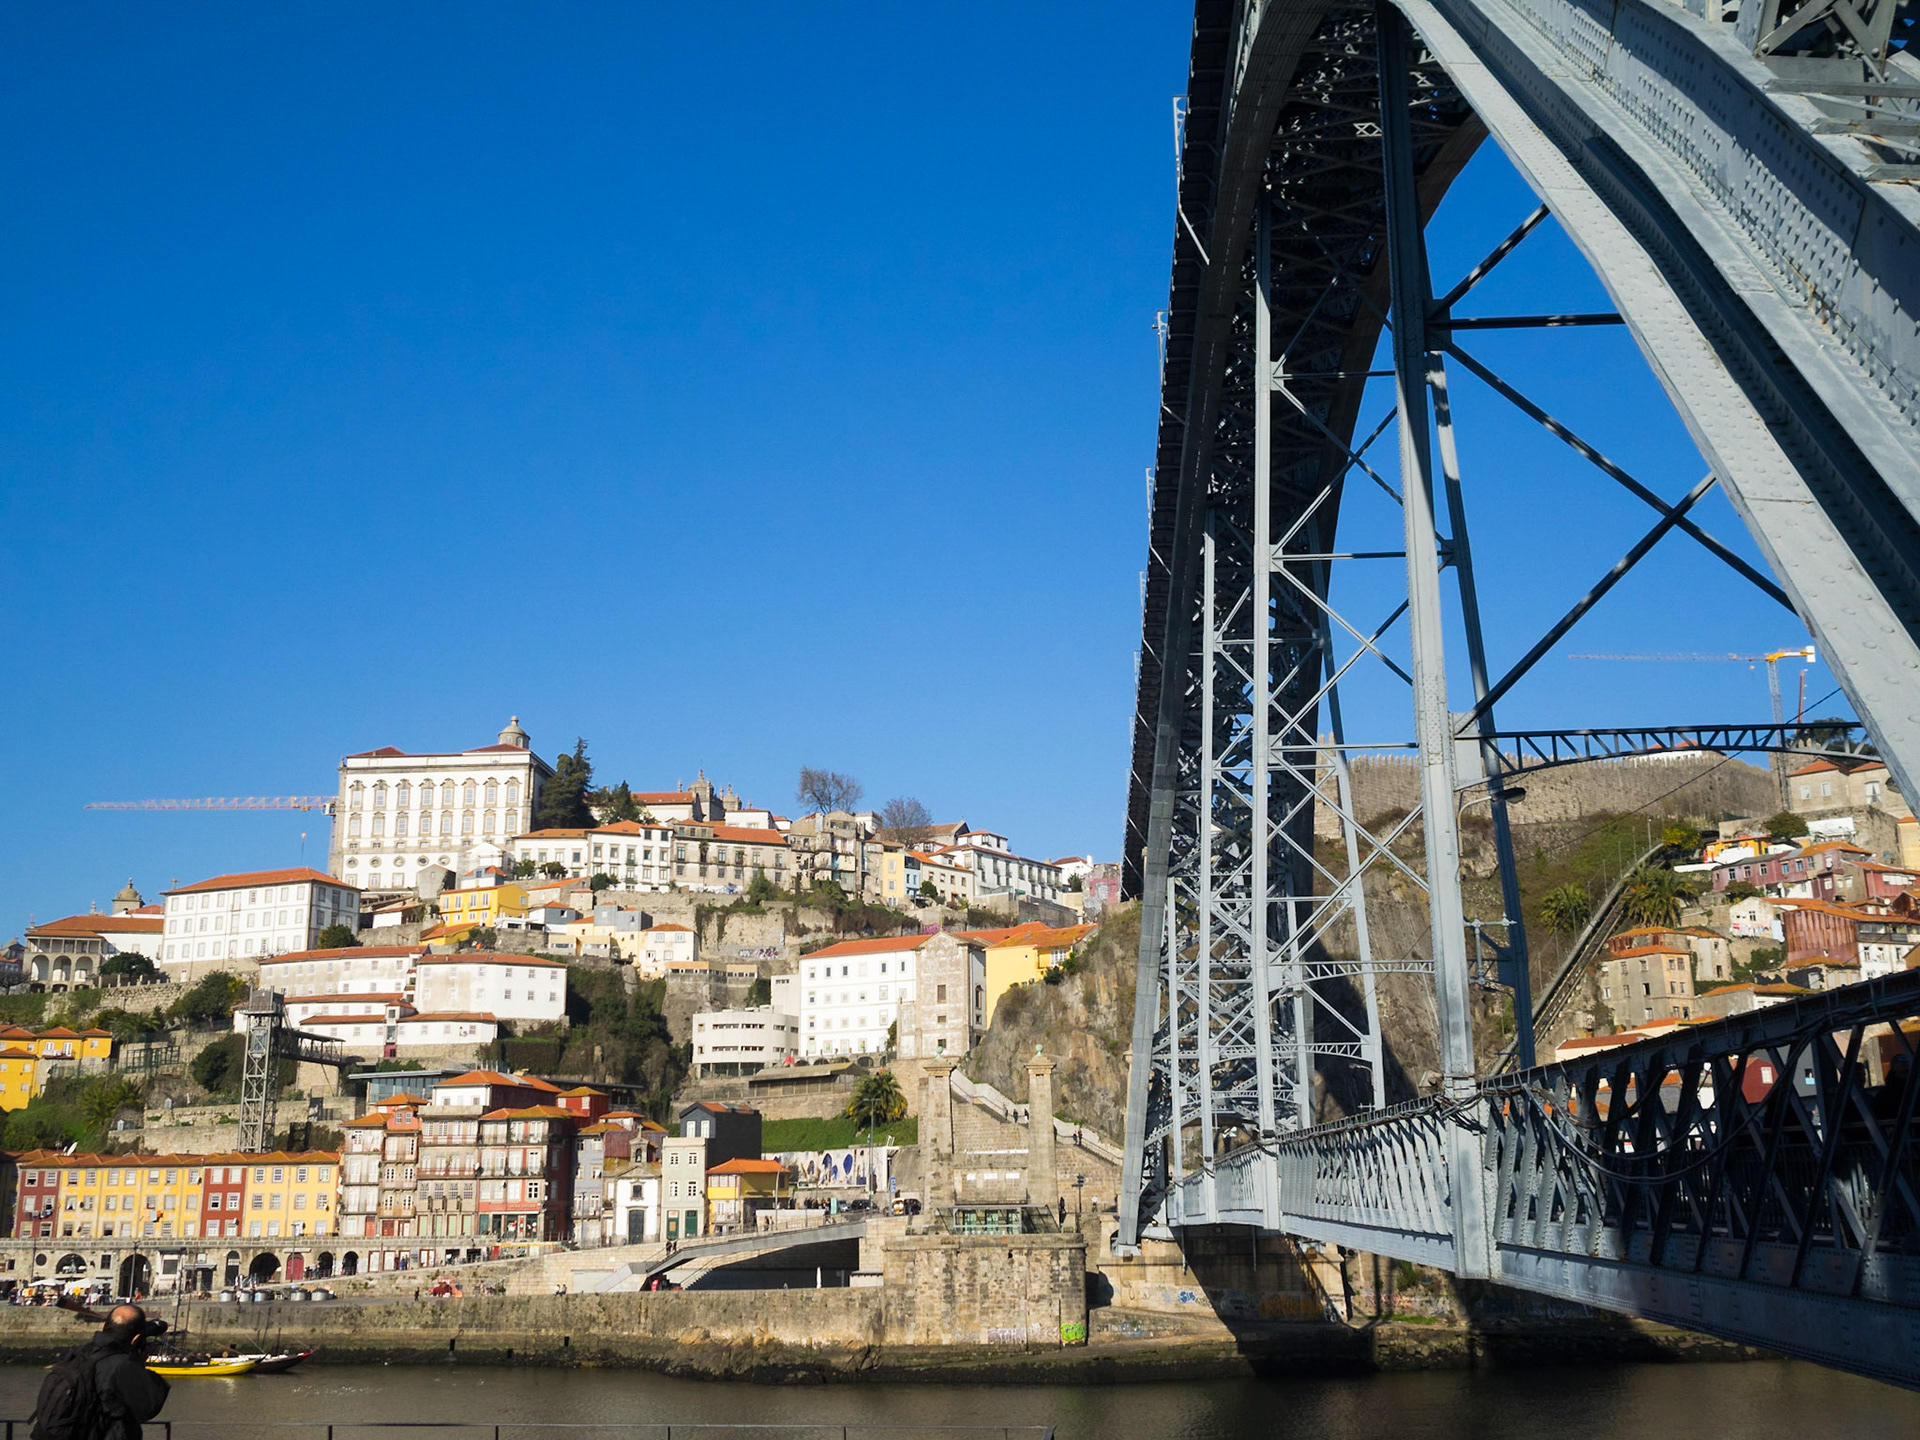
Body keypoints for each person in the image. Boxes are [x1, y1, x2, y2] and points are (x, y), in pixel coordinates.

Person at [47, 1304, 170, 1440]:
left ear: (103, 1326)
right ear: (135, 1339)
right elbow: (149, 1406)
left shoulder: (78, 1353)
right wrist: (138, 1362)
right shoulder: (122, 1365)